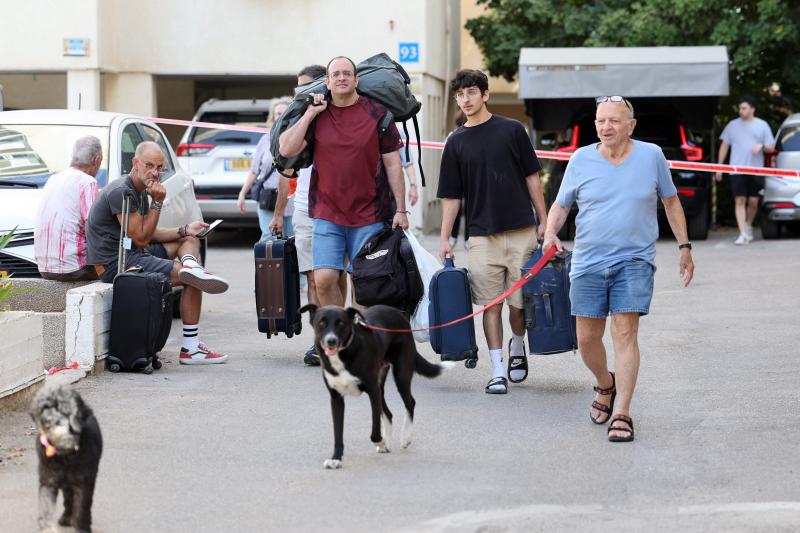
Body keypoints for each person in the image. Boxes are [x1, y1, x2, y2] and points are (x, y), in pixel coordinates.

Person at [543, 95, 695, 442]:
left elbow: (670, 201)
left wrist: (685, 247)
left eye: (613, 120)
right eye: (600, 121)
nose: (605, 127)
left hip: (634, 261)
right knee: (586, 339)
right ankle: (605, 383)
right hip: (587, 261)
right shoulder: (580, 159)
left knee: (625, 333)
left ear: (631, 125)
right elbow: (561, 205)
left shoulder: (651, 156)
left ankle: (623, 412)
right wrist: (550, 232)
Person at [437, 69, 548, 395]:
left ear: (485, 94)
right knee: (489, 305)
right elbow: (451, 197)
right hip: (481, 235)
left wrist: (544, 220)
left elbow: (532, 177)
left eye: (471, 93)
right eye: (460, 95)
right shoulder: (455, 142)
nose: (465, 100)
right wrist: (445, 238)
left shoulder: (512, 130)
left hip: (521, 230)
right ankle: (497, 370)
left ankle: (517, 343)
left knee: (517, 306)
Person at [278, 56, 407, 310]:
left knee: (365, 283)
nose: (341, 78)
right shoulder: (318, 114)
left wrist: (401, 210)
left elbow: (393, 164)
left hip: (369, 214)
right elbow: (286, 149)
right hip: (327, 213)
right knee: (324, 279)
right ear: (327, 81)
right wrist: (310, 114)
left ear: (356, 79)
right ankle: (340, 333)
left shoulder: (378, 113)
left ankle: (361, 343)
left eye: (347, 73)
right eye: (335, 74)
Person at [86, 141, 231, 365]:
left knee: (189, 238)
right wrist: (158, 203)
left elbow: (148, 234)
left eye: (159, 167)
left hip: (136, 253)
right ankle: (191, 350)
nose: (155, 172)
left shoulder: (142, 189)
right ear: (135, 163)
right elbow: (141, 237)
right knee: (192, 280)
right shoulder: (120, 192)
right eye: (149, 165)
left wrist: (184, 229)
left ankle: (191, 267)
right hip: (117, 264)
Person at [271, 64, 348, 366]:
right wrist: (280, 212)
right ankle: (321, 340)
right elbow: (285, 166)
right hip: (303, 207)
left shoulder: (334, 115)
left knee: (336, 277)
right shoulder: (302, 116)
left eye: (307, 88)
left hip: (335, 208)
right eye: (298, 89)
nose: (302, 94)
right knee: (314, 279)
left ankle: (340, 336)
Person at [34, 136, 102, 281]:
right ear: (97, 160)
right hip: (73, 268)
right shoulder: (88, 182)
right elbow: (95, 228)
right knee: (123, 265)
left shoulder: (53, 179)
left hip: (44, 269)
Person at [715, 95, 776, 245]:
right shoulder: (732, 125)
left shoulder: (762, 125)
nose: (740, 111)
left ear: (752, 109)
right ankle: (742, 233)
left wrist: (761, 146)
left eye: (744, 108)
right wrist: (719, 167)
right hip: (736, 169)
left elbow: (771, 147)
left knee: (754, 202)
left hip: (756, 169)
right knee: (740, 200)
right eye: (740, 108)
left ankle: (748, 225)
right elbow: (724, 146)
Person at [237, 98, 292, 241]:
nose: (280, 116)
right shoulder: (265, 140)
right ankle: (267, 263)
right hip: (268, 197)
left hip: (291, 199)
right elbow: (254, 171)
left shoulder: (298, 138)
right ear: (273, 117)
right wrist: (242, 194)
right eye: (277, 113)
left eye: (284, 113)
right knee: (270, 236)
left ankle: (289, 265)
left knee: (291, 239)